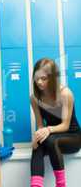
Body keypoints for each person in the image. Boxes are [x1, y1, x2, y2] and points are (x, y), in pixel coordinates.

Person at [30, 58, 81, 187]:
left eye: (44, 78)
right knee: (37, 145)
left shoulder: (65, 94)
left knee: (52, 141)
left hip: (73, 136)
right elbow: (40, 124)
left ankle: (61, 184)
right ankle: (36, 185)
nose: (39, 82)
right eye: (36, 78)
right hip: (52, 135)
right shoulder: (34, 98)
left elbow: (65, 125)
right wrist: (38, 135)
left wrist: (47, 130)